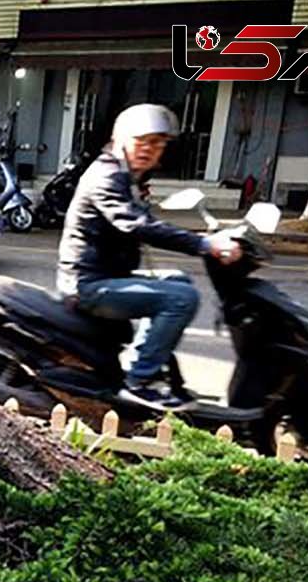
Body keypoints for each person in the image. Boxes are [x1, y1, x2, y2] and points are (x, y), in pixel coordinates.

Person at [57, 103, 243, 410]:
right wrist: (204, 245)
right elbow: (137, 225)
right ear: (120, 140)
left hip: (107, 276)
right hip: (88, 285)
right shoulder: (107, 176)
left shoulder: (128, 177)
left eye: (157, 143)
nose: (149, 149)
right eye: (141, 141)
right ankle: (139, 382)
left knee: (178, 280)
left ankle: (141, 358)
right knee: (180, 299)